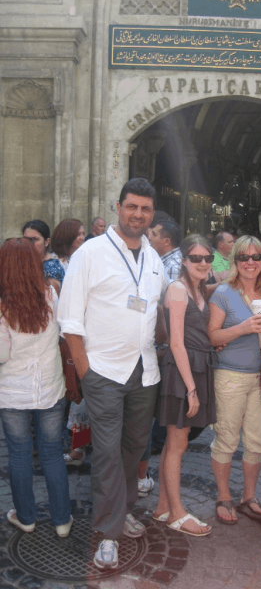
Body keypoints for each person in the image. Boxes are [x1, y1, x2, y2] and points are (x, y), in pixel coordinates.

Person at [58, 178, 166, 570]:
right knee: (105, 451)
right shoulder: (91, 253)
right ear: (118, 207)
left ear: (152, 214)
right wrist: (86, 373)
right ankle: (107, 532)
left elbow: (156, 312)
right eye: (132, 206)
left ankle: (123, 509)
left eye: (145, 209)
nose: (138, 214)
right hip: (102, 371)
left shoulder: (153, 258)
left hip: (144, 371)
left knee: (134, 448)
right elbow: (70, 319)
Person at [0, 238, 72, 538]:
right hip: (50, 386)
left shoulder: (2, 302)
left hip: (13, 389)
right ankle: (62, 520)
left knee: (18, 454)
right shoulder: (52, 291)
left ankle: (26, 517)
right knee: (53, 452)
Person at [152, 235, 216, 537]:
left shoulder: (198, 288)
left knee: (173, 442)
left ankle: (163, 507)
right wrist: (191, 388)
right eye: (196, 258)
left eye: (207, 258)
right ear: (185, 261)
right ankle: (177, 513)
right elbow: (175, 341)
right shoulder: (178, 289)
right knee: (177, 444)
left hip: (195, 368)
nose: (203, 263)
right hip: (183, 372)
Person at [208, 236, 261, 525]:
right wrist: (244, 328)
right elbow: (213, 336)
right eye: (244, 257)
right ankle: (224, 496)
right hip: (230, 377)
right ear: (234, 261)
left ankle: (249, 497)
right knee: (227, 440)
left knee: (258, 442)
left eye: (256, 257)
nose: (250, 262)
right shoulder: (224, 292)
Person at [138, 218, 182, 495]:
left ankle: (149, 459)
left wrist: (166, 342)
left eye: (152, 234)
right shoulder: (157, 260)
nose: (148, 237)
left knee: (152, 414)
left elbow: (171, 311)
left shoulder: (171, 265)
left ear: (165, 240)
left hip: (161, 349)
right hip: (152, 348)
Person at [22, 219, 65, 294]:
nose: (29, 243)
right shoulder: (24, 261)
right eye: (26, 240)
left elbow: (51, 299)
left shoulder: (52, 267)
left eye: (35, 239)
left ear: (46, 242)